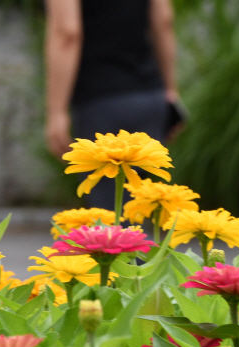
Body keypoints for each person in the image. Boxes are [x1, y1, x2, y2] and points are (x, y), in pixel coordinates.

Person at [45, 0, 178, 209]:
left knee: (109, 220)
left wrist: (57, 111)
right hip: (149, 96)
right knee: (142, 209)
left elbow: (67, 33)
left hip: (101, 102)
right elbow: (163, 21)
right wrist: (170, 90)